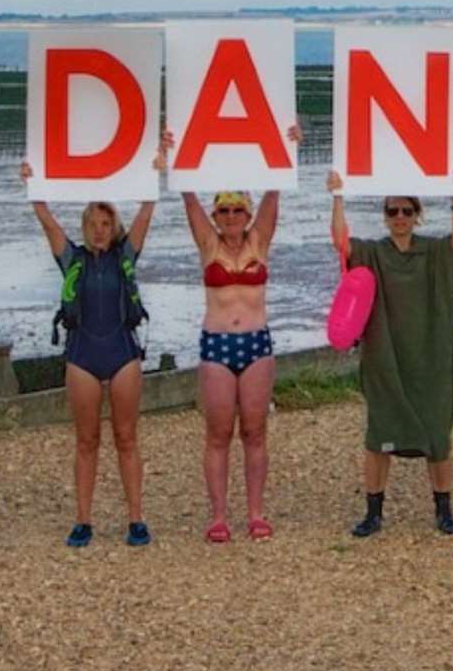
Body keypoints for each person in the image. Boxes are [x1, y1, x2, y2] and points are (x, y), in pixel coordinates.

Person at [21, 136, 167, 548]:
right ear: (84, 229)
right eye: (92, 225)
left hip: (122, 353)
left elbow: (147, 210)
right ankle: (83, 520)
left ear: (114, 227)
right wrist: (32, 183)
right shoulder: (72, 258)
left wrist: (158, 168)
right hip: (82, 354)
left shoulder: (127, 255)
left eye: (106, 224)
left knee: (127, 437)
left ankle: (136, 519)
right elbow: (45, 218)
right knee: (86, 441)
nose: (99, 231)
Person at [328, 165, 453, 537]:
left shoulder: (434, 252)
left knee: (438, 436)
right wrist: (338, 196)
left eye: (407, 211)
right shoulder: (374, 253)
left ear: (417, 214)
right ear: (385, 217)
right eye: (393, 211)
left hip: (431, 358)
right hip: (386, 360)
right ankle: (373, 513)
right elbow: (342, 242)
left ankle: (444, 510)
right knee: (380, 435)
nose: (400, 218)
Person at [178, 126, 301, 544]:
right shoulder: (207, 245)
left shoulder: (260, 242)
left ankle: (254, 511)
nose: (231, 218)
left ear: (247, 215)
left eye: (237, 211)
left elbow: (275, 190)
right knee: (217, 432)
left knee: (255, 431)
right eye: (224, 212)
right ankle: (217, 515)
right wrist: (171, 152)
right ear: (216, 217)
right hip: (216, 344)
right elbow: (186, 193)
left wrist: (289, 144)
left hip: (256, 344)